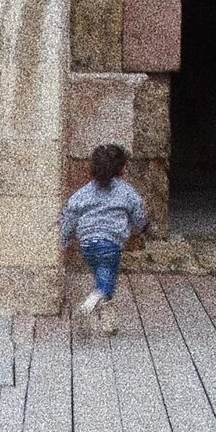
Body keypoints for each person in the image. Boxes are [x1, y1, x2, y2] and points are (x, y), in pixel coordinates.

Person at [58, 142, 149, 334]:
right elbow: (139, 216)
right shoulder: (127, 193)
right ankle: (88, 306)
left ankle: (109, 323)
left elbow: (69, 217)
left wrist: (64, 241)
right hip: (110, 244)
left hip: (87, 245)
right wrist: (138, 229)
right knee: (106, 282)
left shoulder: (82, 194)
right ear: (122, 169)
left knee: (104, 277)